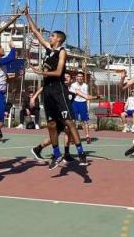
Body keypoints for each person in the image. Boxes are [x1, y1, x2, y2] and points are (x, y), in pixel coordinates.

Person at [24, 9, 88, 169]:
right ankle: (57, 154)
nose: (49, 37)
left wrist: (41, 72)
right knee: (51, 124)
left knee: (69, 122)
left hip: (58, 89)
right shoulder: (48, 49)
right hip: (47, 90)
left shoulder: (62, 52)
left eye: (52, 36)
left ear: (58, 39)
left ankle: (81, 153)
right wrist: (27, 15)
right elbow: (35, 32)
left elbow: (59, 72)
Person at [69, 73, 96, 144]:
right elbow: (71, 95)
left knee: (85, 121)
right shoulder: (73, 85)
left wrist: (88, 105)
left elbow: (86, 96)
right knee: (74, 121)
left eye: (81, 76)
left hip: (83, 103)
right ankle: (73, 137)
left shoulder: (85, 85)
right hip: (75, 103)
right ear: (76, 77)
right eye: (79, 76)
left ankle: (87, 136)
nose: (80, 78)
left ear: (83, 78)